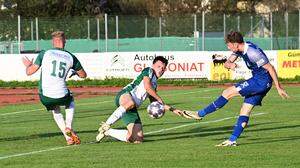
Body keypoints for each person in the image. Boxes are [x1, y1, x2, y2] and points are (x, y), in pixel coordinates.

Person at [182, 31, 289, 146]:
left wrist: (279, 87)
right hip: (260, 82)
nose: (228, 47)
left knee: (227, 92)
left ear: (236, 44)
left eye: (229, 45)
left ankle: (200, 114)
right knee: (245, 110)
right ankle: (232, 140)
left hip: (260, 82)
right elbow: (227, 63)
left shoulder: (253, 53)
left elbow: (270, 68)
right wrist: (230, 64)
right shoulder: (239, 49)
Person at [96, 56, 182, 143]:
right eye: (159, 66)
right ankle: (106, 124)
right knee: (130, 103)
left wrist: (173, 110)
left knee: (137, 139)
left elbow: (156, 102)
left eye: (163, 68)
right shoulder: (149, 71)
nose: (161, 69)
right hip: (125, 95)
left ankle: (107, 132)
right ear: (153, 65)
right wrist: (159, 98)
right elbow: (147, 87)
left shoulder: (154, 84)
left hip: (131, 107)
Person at [22, 31, 87, 145]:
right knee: (70, 101)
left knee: (55, 109)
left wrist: (28, 65)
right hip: (61, 94)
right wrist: (74, 72)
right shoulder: (71, 57)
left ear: (53, 42)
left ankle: (68, 138)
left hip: (45, 96)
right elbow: (83, 75)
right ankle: (68, 126)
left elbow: (29, 72)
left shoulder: (45, 53)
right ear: (65, 40)